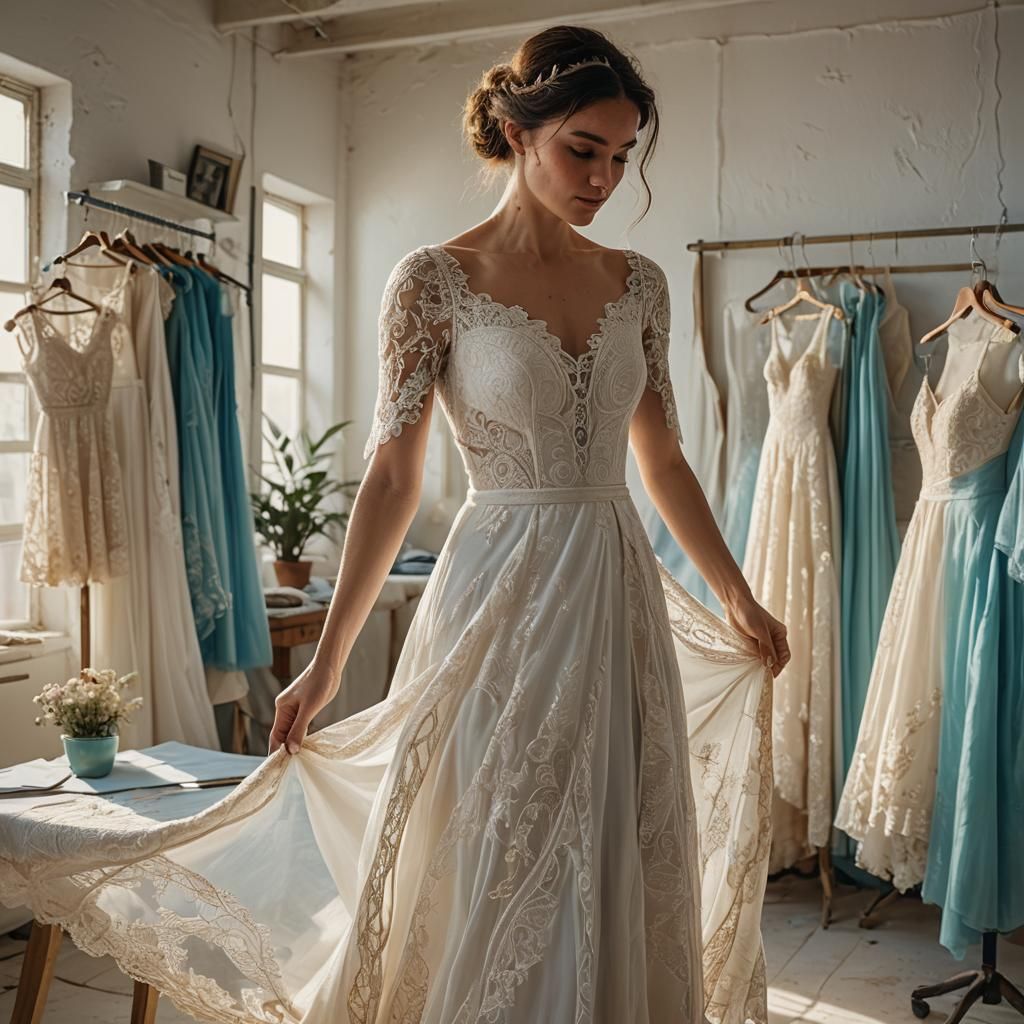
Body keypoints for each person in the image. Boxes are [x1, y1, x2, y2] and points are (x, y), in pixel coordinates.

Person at [0, 24, 788, 1024]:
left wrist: (736, 592)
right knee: (496, 830)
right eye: (582, 148)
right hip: (498, 592)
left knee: (614, 829)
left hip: (614, 585)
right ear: (515, 129)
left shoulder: (638, 282)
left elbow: (662, 458)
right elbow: (390, 474)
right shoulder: (433, 279)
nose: (604, 176)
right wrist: (327, 664)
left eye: (621, 153)